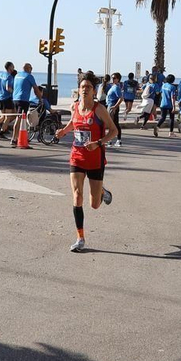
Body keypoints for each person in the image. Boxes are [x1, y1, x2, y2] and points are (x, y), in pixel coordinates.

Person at [56, 72, 118, 253]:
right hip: (77, 156)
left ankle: (102, 192)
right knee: (77, 195)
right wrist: (63, 132)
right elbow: (73, 124)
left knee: (94, 205)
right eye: (82, 87)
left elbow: (113, 131)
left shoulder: (99, 110)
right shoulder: (74, 106)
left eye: (88, 87)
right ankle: (80, 238)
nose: (85, 90)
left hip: (95, 159)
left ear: (93, 91)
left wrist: (98, 143)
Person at [0, 62, 17, 139]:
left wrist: (0, 92)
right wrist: (14, 92)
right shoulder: (9, 77)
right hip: (7, 98)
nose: (13, 68)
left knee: (3, 116)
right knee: (7, 117)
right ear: (9, 67)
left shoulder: (0, 75)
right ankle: (1, 133)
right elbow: (8, 88)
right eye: (13, 66)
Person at [104, 73, 125, 147]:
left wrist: (115, 106)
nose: (113, 79)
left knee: (113, 124)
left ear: (118, 79)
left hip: (112, 106)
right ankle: (112, 140)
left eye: (114, 78)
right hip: (110, 106)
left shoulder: (116, 87)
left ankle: (117, 140)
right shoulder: (113, 86)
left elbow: (121, 98)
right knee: (113, 124)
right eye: (112, 77)